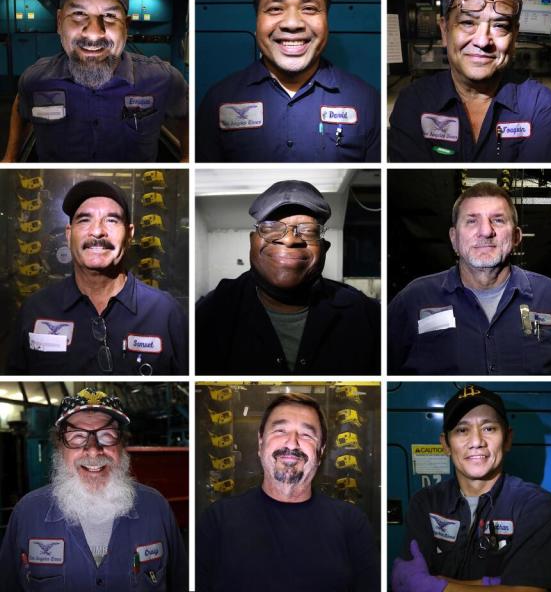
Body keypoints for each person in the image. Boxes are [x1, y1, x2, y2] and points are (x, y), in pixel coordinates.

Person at [2, 0, 188, 163]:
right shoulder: (35, 80)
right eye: (79, 13)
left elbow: (185, 112)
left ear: (126, 26)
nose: (93, 33)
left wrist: (187, 158)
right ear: (59, 22)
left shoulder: (164, 79)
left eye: (109, 16)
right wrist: (10, 158)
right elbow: (21, 105)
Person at [0, 388, 187, 591]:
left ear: (122, 445)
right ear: (59, 447)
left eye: (106, 435)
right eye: (77, 436)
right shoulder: (27, 513)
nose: (93, 449)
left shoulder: (156, 508)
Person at [198, 0, 379, 162]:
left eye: (309, 8)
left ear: (327, 18)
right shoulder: (218, 99)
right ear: (257, 19)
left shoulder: (367, 102)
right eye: (275, 9)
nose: (292, 24)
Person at [391, 384, 551, 592]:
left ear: (508, 439)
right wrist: (495, 585)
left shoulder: (534, 505)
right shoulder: (426, 502)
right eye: (462, 430)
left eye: (488, 428)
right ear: (445, 444)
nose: (476, 441)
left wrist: (434, 586)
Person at [197, 393, 378, 591]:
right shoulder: (217, 521)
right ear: (260, 443)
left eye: (307, 434)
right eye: (280, 431)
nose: (292, 443)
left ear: (321, 451)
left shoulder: (352, 524)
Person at [387, 182, 551, 375]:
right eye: (471, 221)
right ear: (454, 238)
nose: (486, 231)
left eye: (498, 220)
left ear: (516, 237)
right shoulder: (412, 301)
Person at [388, 0, 551, 162]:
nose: (482, 41)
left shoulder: (540, 106)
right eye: (467, 22)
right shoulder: (413, 103)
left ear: (514, 37)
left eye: (500, 26)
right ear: (445, 31)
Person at [196, 180, 379, 375]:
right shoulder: (210, 314)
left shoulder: (366, 315)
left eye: (307, 230)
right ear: (252, 241)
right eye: (271, 228)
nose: (290, 239)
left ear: (324, 248)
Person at [7, 179, 187, 375]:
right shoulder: (35, 309)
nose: (97, 231)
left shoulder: (165, 313)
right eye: (84, 220)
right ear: (68, 234)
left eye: (111, 220)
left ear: (129, 234)